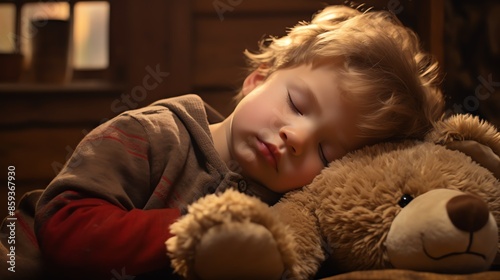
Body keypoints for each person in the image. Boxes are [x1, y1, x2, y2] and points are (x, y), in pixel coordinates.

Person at [31, 5, 443, 279]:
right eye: (298, 105)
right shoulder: (152, 134)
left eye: (325, 151)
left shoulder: (291, 207)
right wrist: (202, 232)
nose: (296, 138)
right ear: (258, 79)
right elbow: (64, 223)